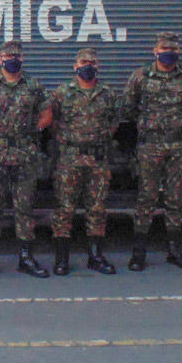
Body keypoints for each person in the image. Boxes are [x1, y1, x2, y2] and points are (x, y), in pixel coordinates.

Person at [121, 31, 182, 271]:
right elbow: (127, 109)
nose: (169, 53)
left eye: (174, 50)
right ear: (155, 51)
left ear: (179, 52)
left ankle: (175, 251)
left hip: (179, 147)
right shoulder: (141, 76)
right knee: (146, 199)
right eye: (164, 49)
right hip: (149, 147)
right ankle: (138, 253)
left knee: (175, 200)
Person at [0, 40, 51, 279]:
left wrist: (30, 132)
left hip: (25, 155)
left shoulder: (34, 86)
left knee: (25, 208)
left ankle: (26, 258)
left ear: (22, 59)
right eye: (7, 55)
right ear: (0, 59)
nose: (12, 59)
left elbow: (47, 114)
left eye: (16, 55)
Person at [47, 46, 120, 275]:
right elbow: (51, 120)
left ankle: (95, 256)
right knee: (64, 209)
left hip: (97, 159)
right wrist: (67, 139)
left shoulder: (108, 93)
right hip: (69, 159)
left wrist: (100, 138)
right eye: (84, 62)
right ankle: (62, 259)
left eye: (93, 63)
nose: (88, 66)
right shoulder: (61, 93)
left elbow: (114, 121)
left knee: (97, 209)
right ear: (75, 66)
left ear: (98, 66)